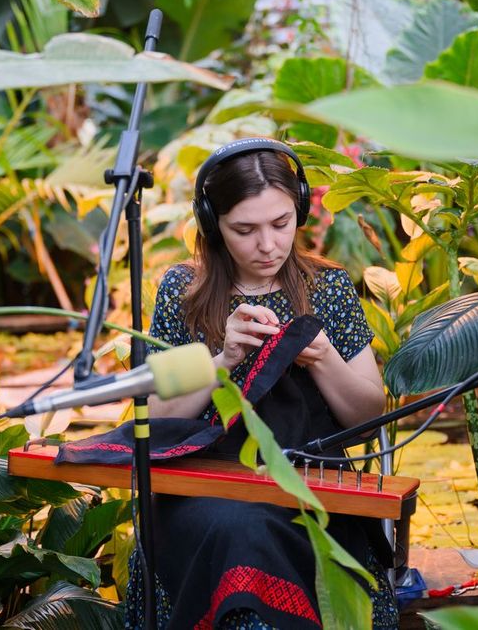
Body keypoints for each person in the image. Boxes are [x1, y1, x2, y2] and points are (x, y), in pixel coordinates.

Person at [124, 137, 398, 630]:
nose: (268, 245)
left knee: (255, 532)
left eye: (281, 223)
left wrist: (324, 358)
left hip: (310, 486)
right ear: (213, 224)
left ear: (300, 211)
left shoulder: (327, 288)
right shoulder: (183, 292)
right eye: (245, 230)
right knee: (240, 531)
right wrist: (223, 360)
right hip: (201, 487)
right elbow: (155, 420)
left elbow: (366, 416)